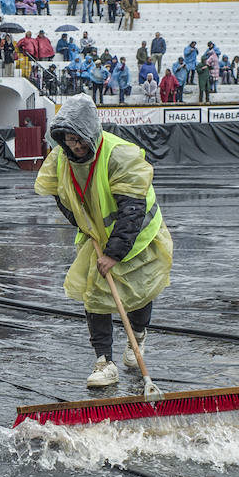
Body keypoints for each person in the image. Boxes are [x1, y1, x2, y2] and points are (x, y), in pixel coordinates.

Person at [34, 96, 172, 388]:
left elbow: (132, 210)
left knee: (138, 291)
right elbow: (61, 196)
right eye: (70, 140)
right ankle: (104, 362)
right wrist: (82, 225)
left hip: (137, 234)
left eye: (81, 140)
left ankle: (138, 336)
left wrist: (114, 253)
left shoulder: (120, 155)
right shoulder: (61, 157)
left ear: (92, 134)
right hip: (96, 235)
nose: (76, 147)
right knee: (94, 295)